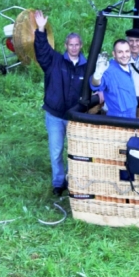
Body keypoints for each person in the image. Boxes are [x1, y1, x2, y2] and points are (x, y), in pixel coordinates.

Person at [34, 10, 87, 196]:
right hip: (55, 116)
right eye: (70, 44)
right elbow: (42, 50)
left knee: (75, 153)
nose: (73, 48)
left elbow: (95, 84)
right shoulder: (54, 61)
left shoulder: (87, 67)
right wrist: (41, 29)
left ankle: (73, 181)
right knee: (56, 152)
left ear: (81, 46)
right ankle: (58, 183)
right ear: (65, 45)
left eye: (76, 45)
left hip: (74, 118)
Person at [90, 39, 138, 118]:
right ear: (114, 54)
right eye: (120, 52)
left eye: (127, 51)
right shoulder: (109, 71)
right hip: (118, 122)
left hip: (132, 118)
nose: (124, 55)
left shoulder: (127, 67)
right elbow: (96, 84)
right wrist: (98, 74)